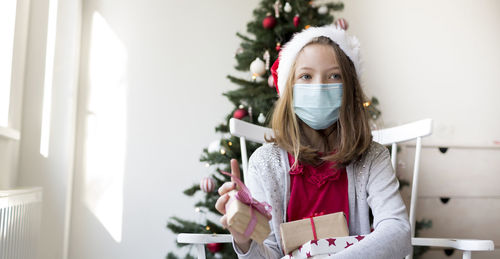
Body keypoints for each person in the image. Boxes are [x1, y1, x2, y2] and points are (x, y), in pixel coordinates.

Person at [215, 24, 412, 259]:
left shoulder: (372, 157)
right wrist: (243, 238)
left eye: (334, 76)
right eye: (306, 76)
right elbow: (269, 254)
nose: (319, 87)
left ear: (350, 89)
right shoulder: (264, 163)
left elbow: (397, 231)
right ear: (289, 89)